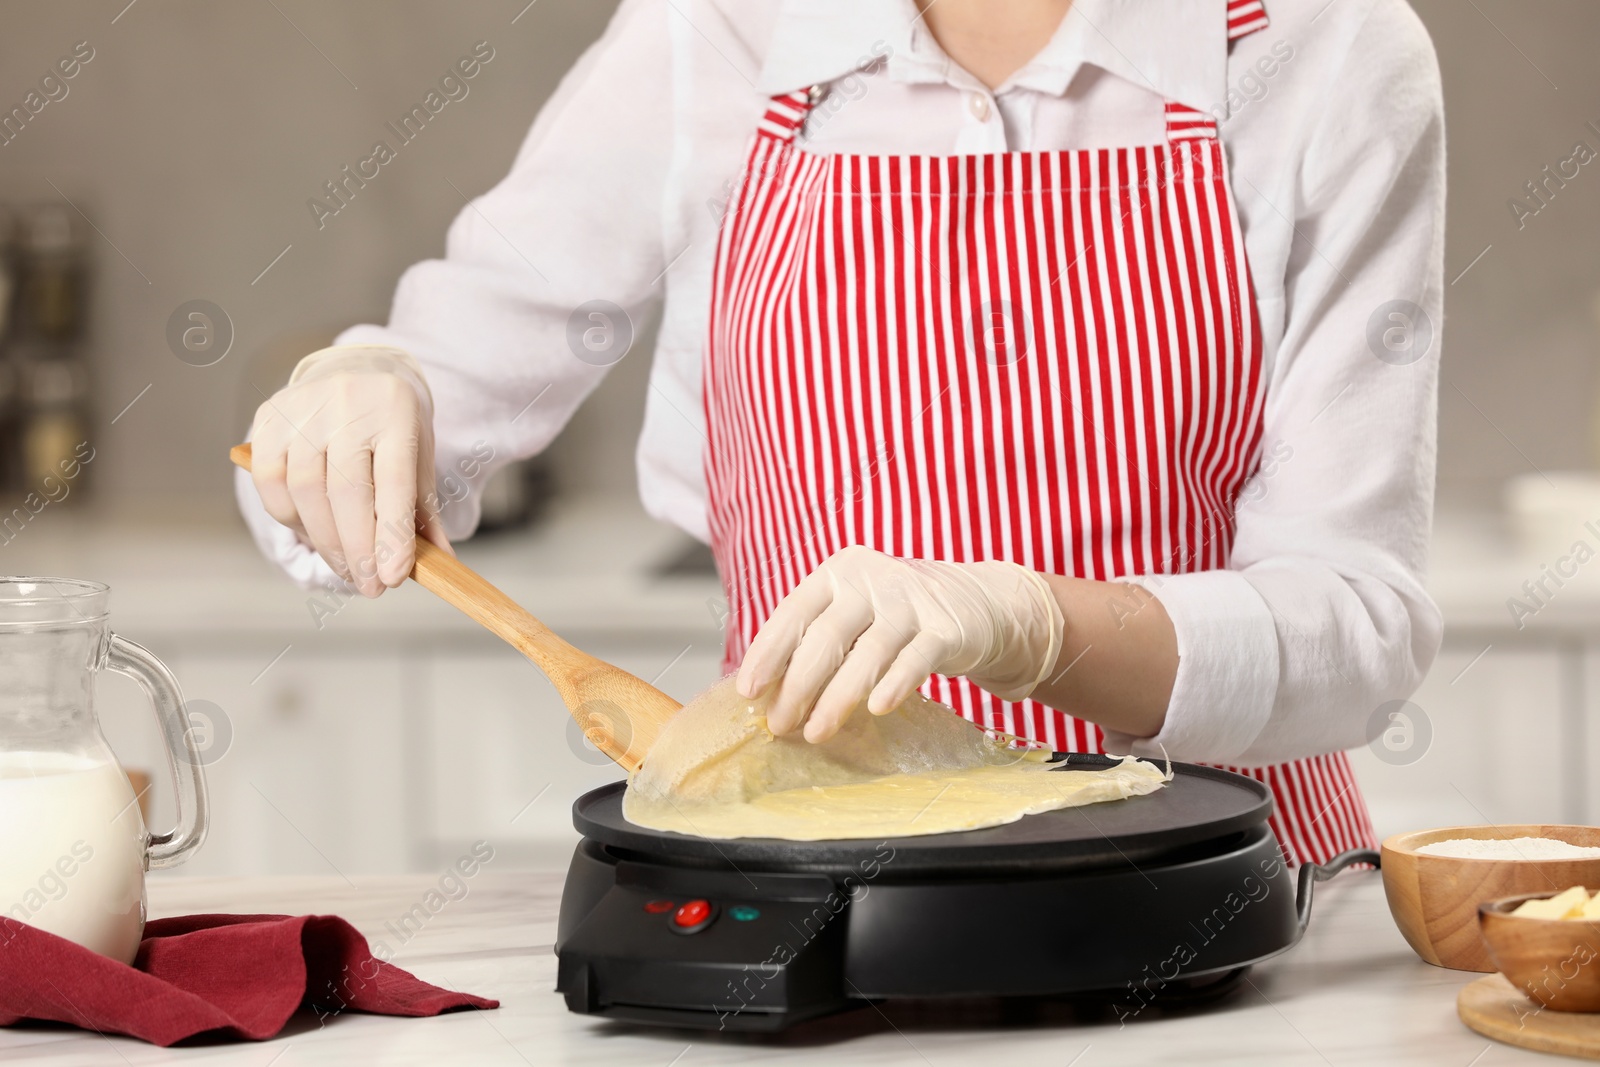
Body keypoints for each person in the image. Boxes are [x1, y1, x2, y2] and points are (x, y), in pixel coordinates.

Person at [239, 0, 1445, 865]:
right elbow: (393, 432)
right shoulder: (722, 27)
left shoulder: (1326, 47)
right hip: (809, 904)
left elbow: (1358, 619)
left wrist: (1029, 623)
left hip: (1214, 913)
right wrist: (359, 390)